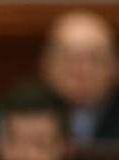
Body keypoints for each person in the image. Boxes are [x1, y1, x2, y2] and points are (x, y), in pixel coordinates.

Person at [40, 10, 119, 143]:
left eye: (94, 59)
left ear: (114, 66)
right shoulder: (18, 113)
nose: (81, 71)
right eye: (69, 58)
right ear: (46, 64)